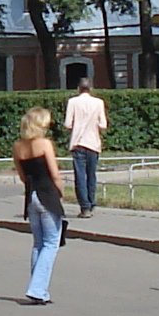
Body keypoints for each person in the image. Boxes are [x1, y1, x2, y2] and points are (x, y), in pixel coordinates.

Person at [12, 105, 65, 305]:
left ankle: (40, 290)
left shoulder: (18, 146)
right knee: (51, 243)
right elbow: (55, 174)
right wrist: (61, 192)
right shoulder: (44, 144)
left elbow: (23, 176)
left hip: (31, 196)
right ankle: (37, 289)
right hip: (47, 194)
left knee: (38, 244)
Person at [62, 77, 109, 217]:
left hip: (78, 143)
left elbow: (67, 124)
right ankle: (92, 201)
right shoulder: (99, 102)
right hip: (93, 143)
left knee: (80, 176)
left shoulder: (73, 102)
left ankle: (84, 207)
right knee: (91, 174)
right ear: (91, 89)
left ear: (78, 88)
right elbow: (103, 125)